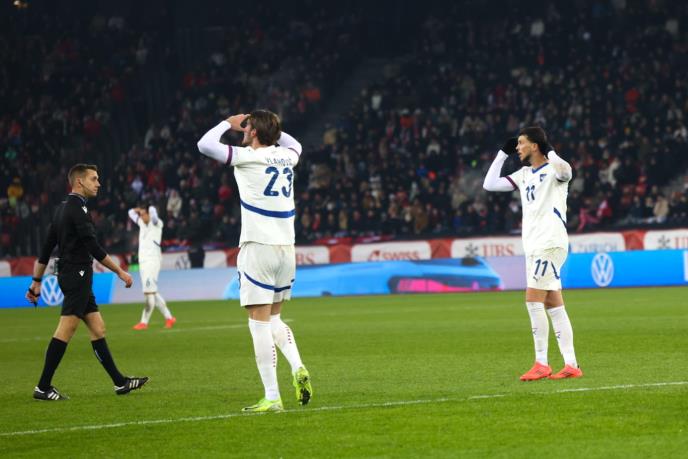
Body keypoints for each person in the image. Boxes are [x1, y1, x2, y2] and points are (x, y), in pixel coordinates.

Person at [197, 110, 312, 412]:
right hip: (286, 248)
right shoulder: (286, 156)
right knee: (274, 319)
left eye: (247, 128)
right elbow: (296, 144)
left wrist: (227, 123)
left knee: (258, 325)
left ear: (255, 133)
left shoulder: (247, 157)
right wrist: (271, 128)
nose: (243, 131)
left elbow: (204, 145)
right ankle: (297, 365)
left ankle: (272, 396)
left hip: (258, 247)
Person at [26, 164, 148, 400]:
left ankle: (120, 383)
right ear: (79, 182)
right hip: (77, 275)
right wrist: (120, 272)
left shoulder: (61, 209)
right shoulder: (78, 210)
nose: (98, 183)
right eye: (94, 179)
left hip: (72, 274)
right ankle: (43, 387)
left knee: (97, 327)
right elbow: (94, 247)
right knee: (66, 328)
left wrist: (36, 282)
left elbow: (46, 250)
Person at [483, 127, 582, 381]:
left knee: (532, 299)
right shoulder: (524, 174)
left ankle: (541, 362)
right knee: (553, 304)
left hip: (550, 243)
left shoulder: (554, 171)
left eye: (521, 143)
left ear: (535, 146)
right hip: (534, 245)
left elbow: (567, 172)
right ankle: (571, 364)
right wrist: (502, 153)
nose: (517, 147)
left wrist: (550, 150)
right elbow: (489, 184)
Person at [128, 205, 176, 330]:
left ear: (149, 214)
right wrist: (138, 210)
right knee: (152, 291)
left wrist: (149, 209)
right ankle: (169, 317)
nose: (142, 217)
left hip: (152, 261)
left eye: (145, 214)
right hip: (143, 262)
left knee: (149, 292)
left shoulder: (157, 223)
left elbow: (153, 213)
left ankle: (144, 322)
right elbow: (130, 213)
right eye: (141, 215)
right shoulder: (141, 223)